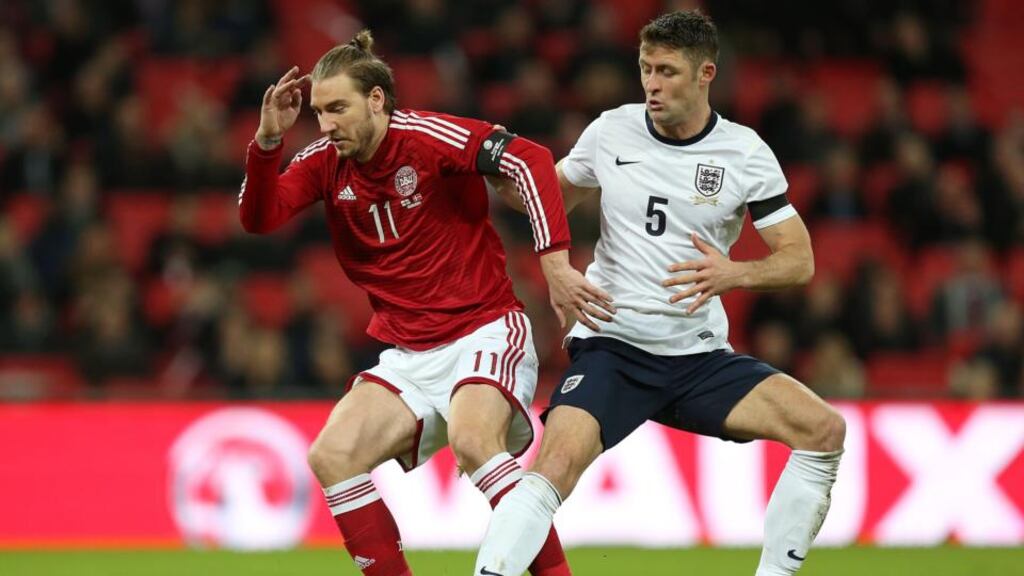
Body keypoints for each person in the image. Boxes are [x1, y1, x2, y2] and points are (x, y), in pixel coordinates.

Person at [476, 11, 845, 576]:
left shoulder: (744, 153)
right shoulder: (611, 130)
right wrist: (497, 168)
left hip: (698, 358)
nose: (652, 83)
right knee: (552, 465)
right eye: (646, 68)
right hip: (614, 347)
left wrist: (733, 273)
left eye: (668, 71)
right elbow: (548, 197)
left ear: (705, 74)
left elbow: (800, 260)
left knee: (823, 430)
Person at [240, 30, 614, 576]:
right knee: (332, 456)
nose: (324, 126)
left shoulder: (430, 136)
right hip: (409, 352)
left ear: (376, 100)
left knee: (473, 440)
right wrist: (267, 144)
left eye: (337, 109)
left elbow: (530, 160)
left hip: (485, 329)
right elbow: (259, 218)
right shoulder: (325, 160)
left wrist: (554, 263)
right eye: (318, 113)